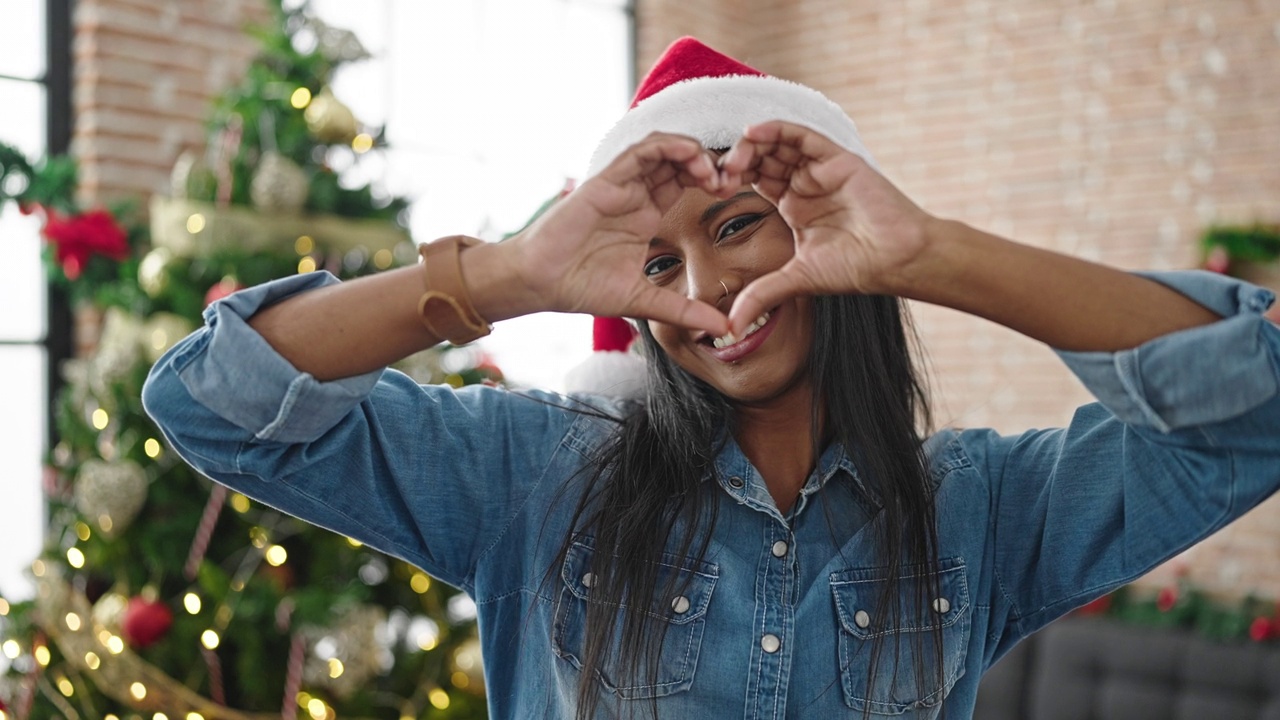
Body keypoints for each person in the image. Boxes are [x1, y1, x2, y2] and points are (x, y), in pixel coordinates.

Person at [143, 37, 1280, 719]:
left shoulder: (979, 509)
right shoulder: (532, 477)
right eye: (657, 262)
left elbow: (1253, 409)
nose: (707, 289)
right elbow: (210, 400)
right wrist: (510, 272)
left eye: (740, 227)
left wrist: (932, 253)